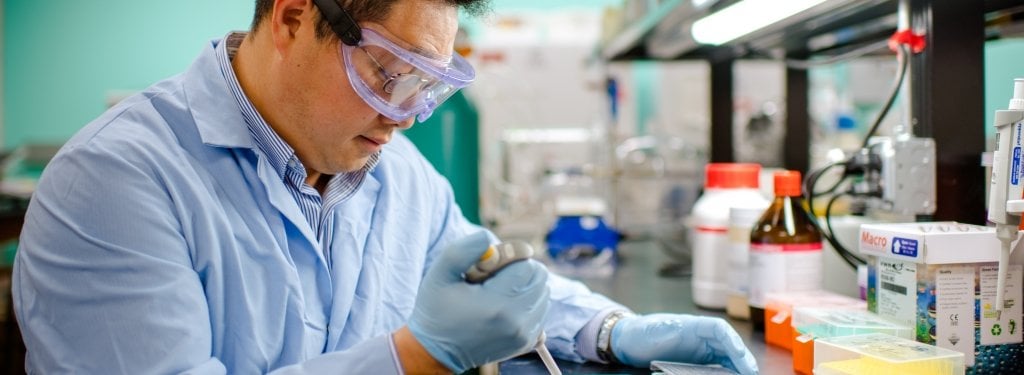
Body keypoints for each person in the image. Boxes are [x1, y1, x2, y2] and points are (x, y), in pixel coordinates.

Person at [12, 0, 759, 374]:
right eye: (389, 73)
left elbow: (491, 276)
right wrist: (412, 356)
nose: (403, 118)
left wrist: (607, 329)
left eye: (426, 87)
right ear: (295, 16)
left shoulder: (397, 175)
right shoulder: (113, 182)